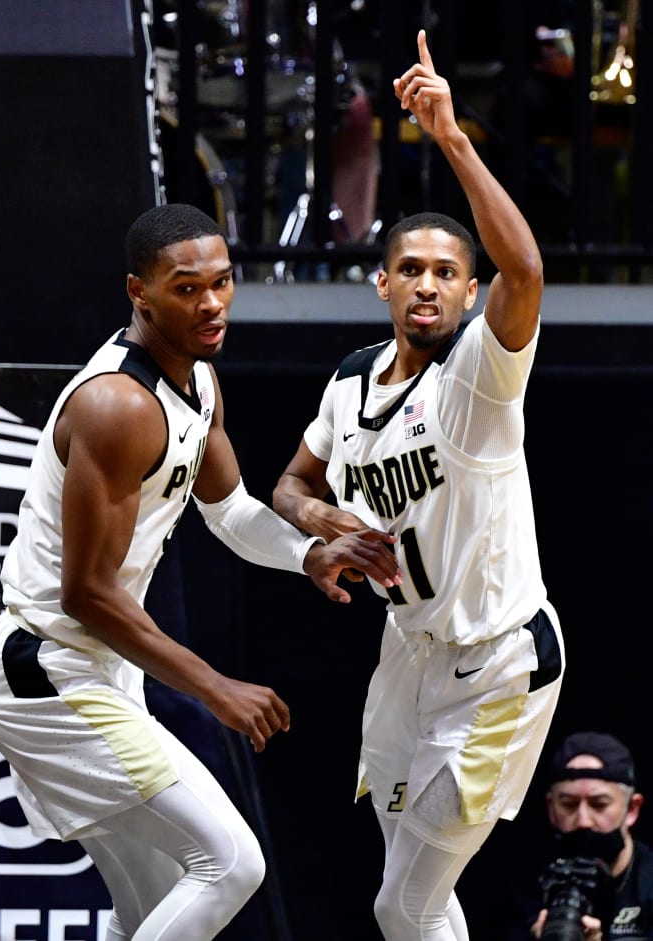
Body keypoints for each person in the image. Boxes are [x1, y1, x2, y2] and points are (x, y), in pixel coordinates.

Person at [0, 202, 403, 941]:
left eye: (223, 282)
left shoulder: (199, 382)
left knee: (153, 906)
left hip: (97, 667)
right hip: (46, 668)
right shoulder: (116, 405)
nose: (211, 304)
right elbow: (88, 593)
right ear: (139, 291)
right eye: (186, 288)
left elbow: (230, 512)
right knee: (232, 863)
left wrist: (308, 553)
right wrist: (214, 688)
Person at [271, 28, 565, 941]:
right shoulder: (351, 379)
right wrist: (324, 525)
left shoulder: (476, 378)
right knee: (409, 890)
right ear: (381, 284)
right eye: (412, 271)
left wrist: (451, 137)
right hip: (407, 655)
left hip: (496, 663)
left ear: (469, 295)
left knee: (404, 902)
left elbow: (527, 268)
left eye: (447, 273)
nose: (428, 286)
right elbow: (288, 482)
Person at [506, 731, 653, 941]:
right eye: (568, 804)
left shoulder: (647, 886)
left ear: (632, 809)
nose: (583, 820)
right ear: (551, 807)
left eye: (599, 804)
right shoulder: (524, 888)